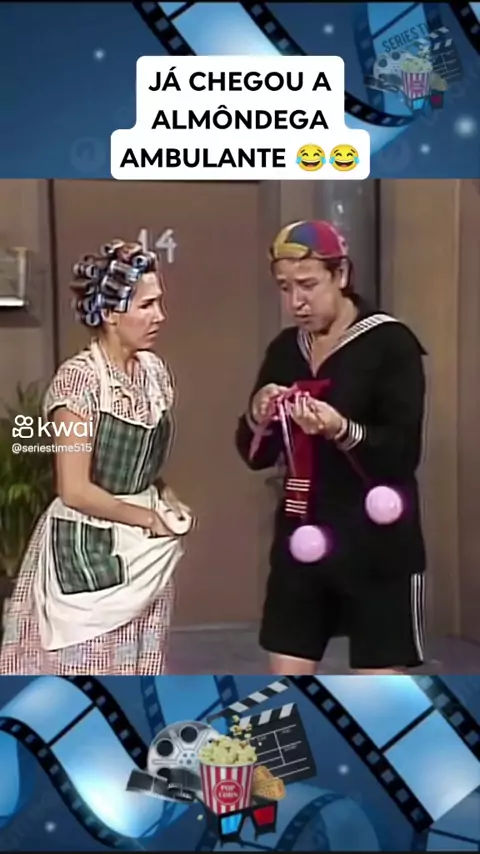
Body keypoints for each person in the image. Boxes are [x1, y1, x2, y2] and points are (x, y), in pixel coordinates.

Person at [235, 220, 427, 676]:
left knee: (378, 698)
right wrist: (258, 416)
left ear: (341, 275)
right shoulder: (286, 349)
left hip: (377, 546)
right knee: (285, 689)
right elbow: (254, 455)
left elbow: (401, 453)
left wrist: (341, 429)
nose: (295, 302)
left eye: (307, 285)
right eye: (285, 288)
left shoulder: (390, 343)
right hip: (301, 536)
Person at [0, 239, 193, 675]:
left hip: (144, 551)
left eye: (159, 303)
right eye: (147, 305)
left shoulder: (153, 373)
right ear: (110, 314)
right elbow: (74, 489)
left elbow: (142, 464)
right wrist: (147, 519)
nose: (160, 316)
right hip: (87, 545)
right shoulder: (79, 382)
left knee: (139, 670)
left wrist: (165, 497)